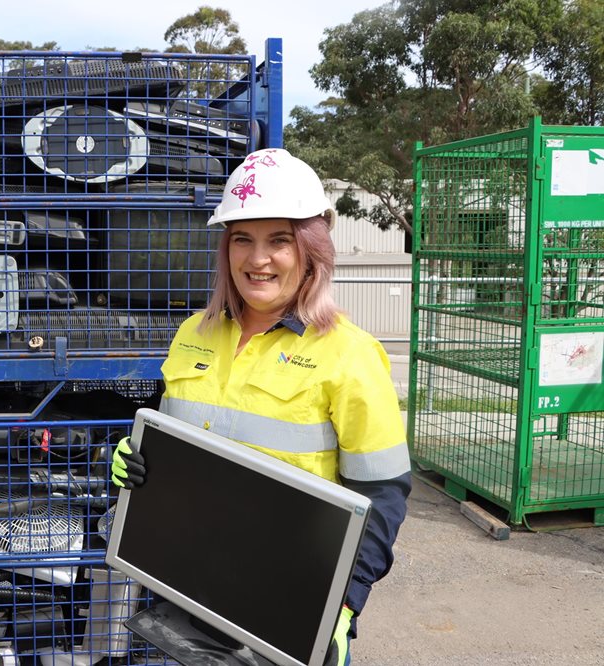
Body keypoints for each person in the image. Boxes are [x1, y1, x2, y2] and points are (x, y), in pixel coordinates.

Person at [110, 148, 411, 666]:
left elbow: (382, 494)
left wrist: (342, 604)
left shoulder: (349, 353)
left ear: (311, 249)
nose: (258, 259)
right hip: (181, 587)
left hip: (285, 606)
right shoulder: (193, 335)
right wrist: (135, 462)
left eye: (279, 240)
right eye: (242, 239)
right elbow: (169, 436)